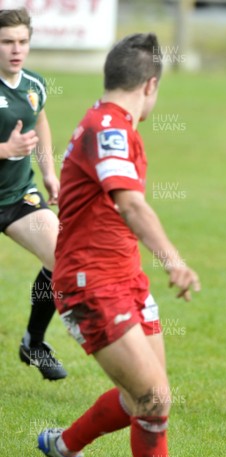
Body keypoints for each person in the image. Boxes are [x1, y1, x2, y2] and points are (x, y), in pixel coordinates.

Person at [36, 33, 200, 457]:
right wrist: (173, 260)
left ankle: (63, 446)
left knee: (144, 400)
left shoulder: (114, 125)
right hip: (92, 284)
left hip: (126, 277)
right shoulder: (107, 128)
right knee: (153, 398)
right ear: (150, 85)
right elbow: (130, 204)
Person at [0, 8, 66, 381]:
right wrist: (4, 151)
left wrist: (48, 173)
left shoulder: (34, 84)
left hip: (16, 196)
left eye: (22, 41)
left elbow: (40, 118)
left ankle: (34, 342)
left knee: (63, 257)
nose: (16, 49)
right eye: (7, 42)